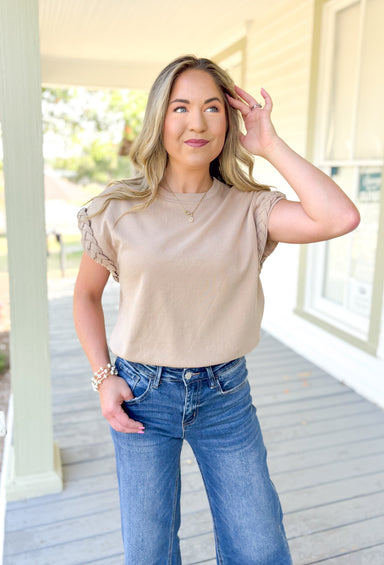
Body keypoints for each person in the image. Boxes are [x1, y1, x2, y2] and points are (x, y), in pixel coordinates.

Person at [73, 55, 360, 565]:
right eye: (180, 107)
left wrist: (269, 144)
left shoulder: (251, 209)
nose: (197, 121)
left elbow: (339, 217)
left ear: (229, 122)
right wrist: (103, 378)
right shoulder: (116, 210)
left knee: (260, 550)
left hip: (225, 397)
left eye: (212, 107)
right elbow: (86, 297)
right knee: (149, 553)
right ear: (159, 118)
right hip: (142, 396)